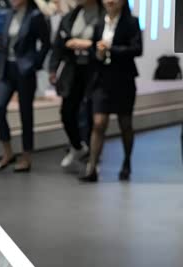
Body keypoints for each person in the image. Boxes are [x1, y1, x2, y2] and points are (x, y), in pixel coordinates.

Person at [80, 0, 142, 181]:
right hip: (102, 79)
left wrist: (111, 49)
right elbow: (93, 49)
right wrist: (98, 53)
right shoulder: (99, 22)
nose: (110, 1)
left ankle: (127, 162)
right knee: (98, 123)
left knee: (125, 124)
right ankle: (92, 167)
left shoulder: (131, 22)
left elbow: (137, 49)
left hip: (123, 80)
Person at [0, 0, 51, 172]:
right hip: (7, 69)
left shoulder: (35, 15)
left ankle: (26, 156)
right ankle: (7, 151)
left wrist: (35, 63)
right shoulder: (9, 14)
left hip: (25, 70)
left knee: (25, 113)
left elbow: (46, 43)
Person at [49, 0, 103, 171]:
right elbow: (58, 44)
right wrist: (53, 68)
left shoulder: (104, 16)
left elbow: (107, 41)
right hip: (73, 69)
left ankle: (92, 158)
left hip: (95, 69)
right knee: (67, 111)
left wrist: (88, 44)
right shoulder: (70, 16)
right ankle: (77, 146)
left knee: (91, 113)